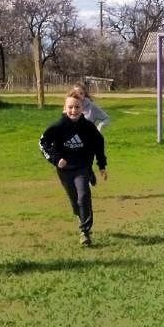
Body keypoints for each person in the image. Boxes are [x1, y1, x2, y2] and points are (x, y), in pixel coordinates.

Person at [40, 90, 108, 246]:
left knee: (83, 195)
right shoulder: (59, 126)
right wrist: (56, 159)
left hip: (82, 167)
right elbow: (43, 143)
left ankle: (84, 232)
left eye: (77, 107)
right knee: (75, 200)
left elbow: (99, 144)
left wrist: (102, 165)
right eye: (70, 107)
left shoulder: (88, 127)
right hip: (64, 170)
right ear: (65, 108)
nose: (73, 110)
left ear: (82, 108)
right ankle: (80, 216)